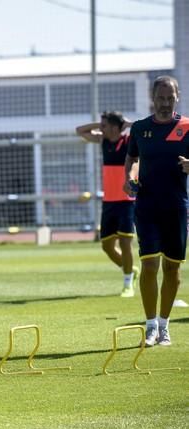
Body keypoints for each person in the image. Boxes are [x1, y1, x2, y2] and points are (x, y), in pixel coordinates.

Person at [125, 75, 189, 347]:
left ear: (177, 97)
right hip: (147, 206)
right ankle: (150, 326)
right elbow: (132, 157)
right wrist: (129, 177)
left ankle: (164, 325)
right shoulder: (139, 129)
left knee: (172, 269)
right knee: (149, 264)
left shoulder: (186, 127)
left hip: (176, 207)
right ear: (153, 98)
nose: (165, 103)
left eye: (170, 98)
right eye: (160, 98)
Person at [76, 111, 138, 297]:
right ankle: (131, 270)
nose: (101, 128)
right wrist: (100, 124)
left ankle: (127, 283)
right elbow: (79, 131)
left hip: (127, 201)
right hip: (109, 202)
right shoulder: (103, 141)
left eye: (105, 125)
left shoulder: (129, 141)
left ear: (114, 126)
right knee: (107, 246)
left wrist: (126, 124)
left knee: (125, 242)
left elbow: (142, 129)